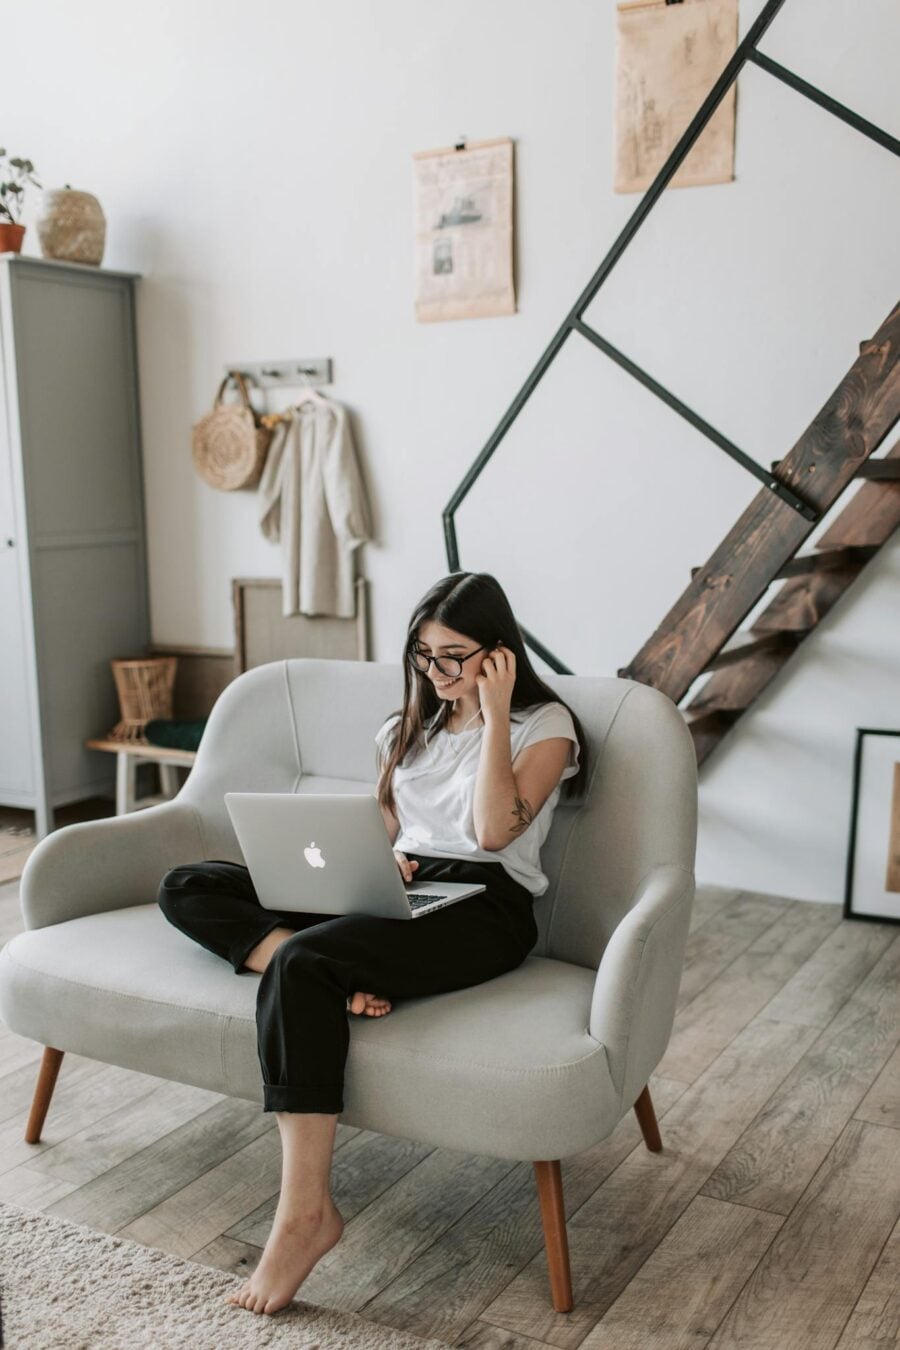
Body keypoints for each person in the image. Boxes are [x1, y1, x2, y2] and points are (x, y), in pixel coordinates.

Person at [156, 570, 588, 1316]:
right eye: (424, 655)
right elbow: (382, 830)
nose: (436, 672)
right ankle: (316, 965)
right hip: (400, 886)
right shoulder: (403, 730)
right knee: (188, 884)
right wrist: (371, 863)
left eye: (454, 655)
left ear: (498, 654)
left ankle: (305, 1215)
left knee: (302, 963)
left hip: (484, 905)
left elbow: (492, 832)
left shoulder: (545, 728)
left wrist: (490, 715)